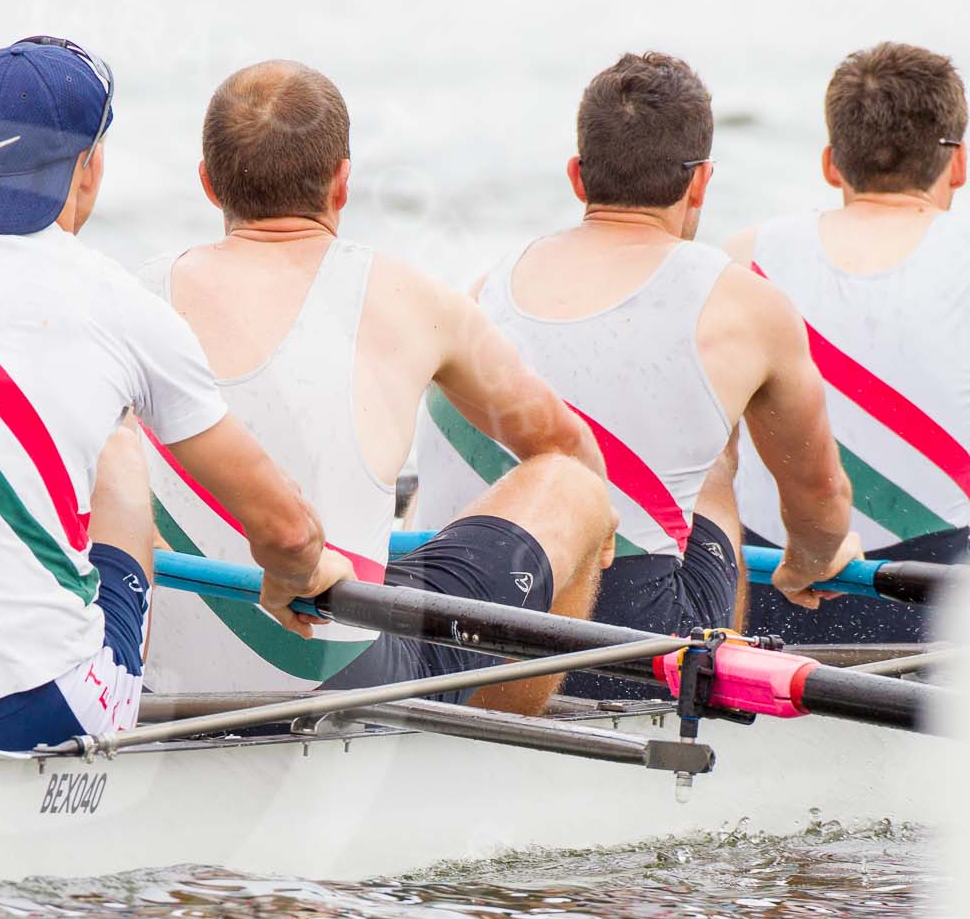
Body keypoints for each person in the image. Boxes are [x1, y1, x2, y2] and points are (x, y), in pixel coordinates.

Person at [0, 37, 352, 752]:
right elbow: (287, 530)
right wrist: (296, 572)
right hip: (25, 711)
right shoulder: (123, 308)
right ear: (90, 168)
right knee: (120, 432)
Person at [141, 60, 616, 716]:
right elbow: (561, 440)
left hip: (161, 678)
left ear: (207, 182)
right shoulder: (411, 296)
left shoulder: (131, 298)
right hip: (343, 671)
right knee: (575, 487)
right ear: (343, 182)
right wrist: (600, 543)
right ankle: (494, 745)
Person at [409, 52, 858, 696]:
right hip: (622, 639)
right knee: (712, 465)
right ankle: (710, 697)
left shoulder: (485, 285)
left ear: (577, 176)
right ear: (700, 182)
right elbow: (818, 505)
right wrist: (809, 562)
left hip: (455, 621)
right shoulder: (744, 303)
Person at [725, 41, 970, 644]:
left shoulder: (742, 259)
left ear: (832, 164)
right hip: (937, 614)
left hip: (769, 602)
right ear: (958, 164)